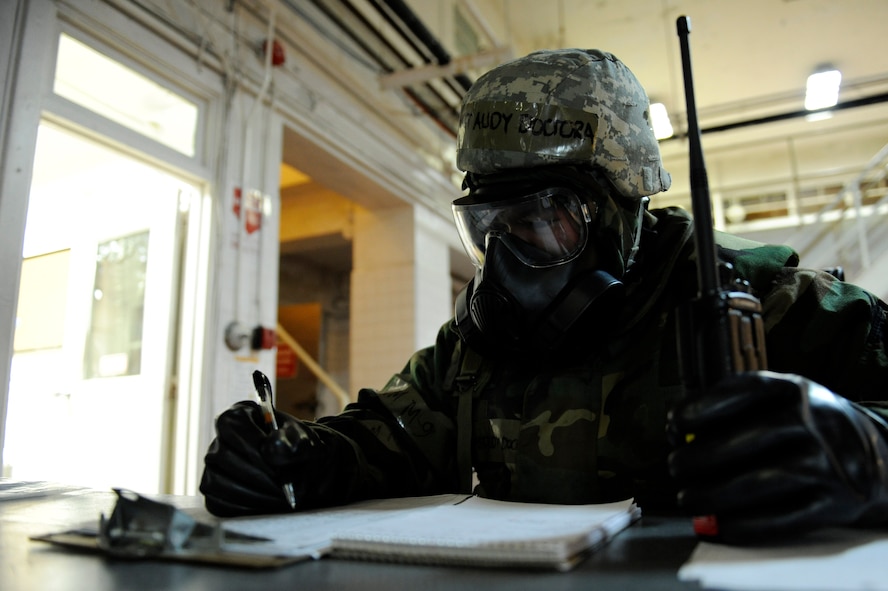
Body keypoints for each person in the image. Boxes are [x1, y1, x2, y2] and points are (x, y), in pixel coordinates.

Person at [200, 49, 888, 544]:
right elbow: (387, 439)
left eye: (540, 220)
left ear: (622, 208)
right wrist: (294, 459)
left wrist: (867, 451)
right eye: (488, 228)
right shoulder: (475, 350)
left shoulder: (747, 303)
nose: (506, 262)